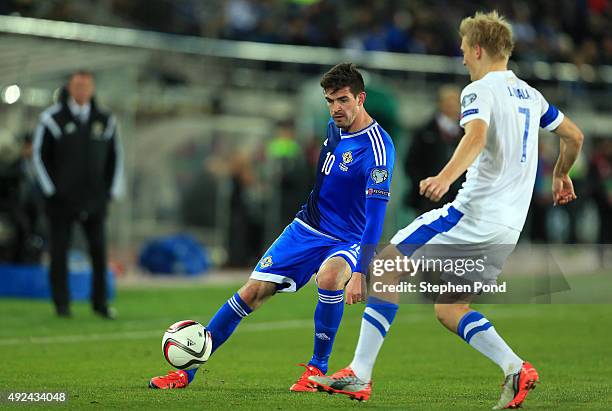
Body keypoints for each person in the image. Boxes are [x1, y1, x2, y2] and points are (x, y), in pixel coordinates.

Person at [310, 11, 584, 410]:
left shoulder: (479, 90)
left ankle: (359, 373)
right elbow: (573, 135)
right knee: (450, 308)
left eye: (462, 50)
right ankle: (515, 367)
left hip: (470, 215)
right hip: (507, 229)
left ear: (477, 49)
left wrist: (444, 177)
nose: (462, 59)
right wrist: (561, 174)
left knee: (385, 268)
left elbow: (475, 136)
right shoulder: (531, 95)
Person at [149, 63, 396, 390]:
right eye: (330, 100)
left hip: (349, 237)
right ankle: (186, 371)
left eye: (343, 100)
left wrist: (362, 272)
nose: (336, 108)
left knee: (331, 276)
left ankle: (315, 369)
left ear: (360, 98)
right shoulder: (334, 129)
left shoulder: (379, 149)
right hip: (307, 227)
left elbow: (376, 217)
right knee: (251, 292)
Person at [32, 70, 124, 319]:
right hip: (61, 202)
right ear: (70, 88)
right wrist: (52, 191)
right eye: (77, 85)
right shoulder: (52, 119)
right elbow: (39, 156)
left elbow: (115, 158)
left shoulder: (105, 120)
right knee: (59, 252)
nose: (81, 90)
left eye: (86, 86)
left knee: (98, 251)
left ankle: (100, 304)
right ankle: (62, 305)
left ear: (92, 89)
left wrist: (110, 192)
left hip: (95, 199)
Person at [405, 85, 463, 214]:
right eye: (448, 102)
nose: (452, 106)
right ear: (440, 104)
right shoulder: (424, 131)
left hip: (459, 198)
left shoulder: (467, 132)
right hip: (429, 200)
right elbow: (411, 163)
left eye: (455, 102)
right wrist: (425, 187)